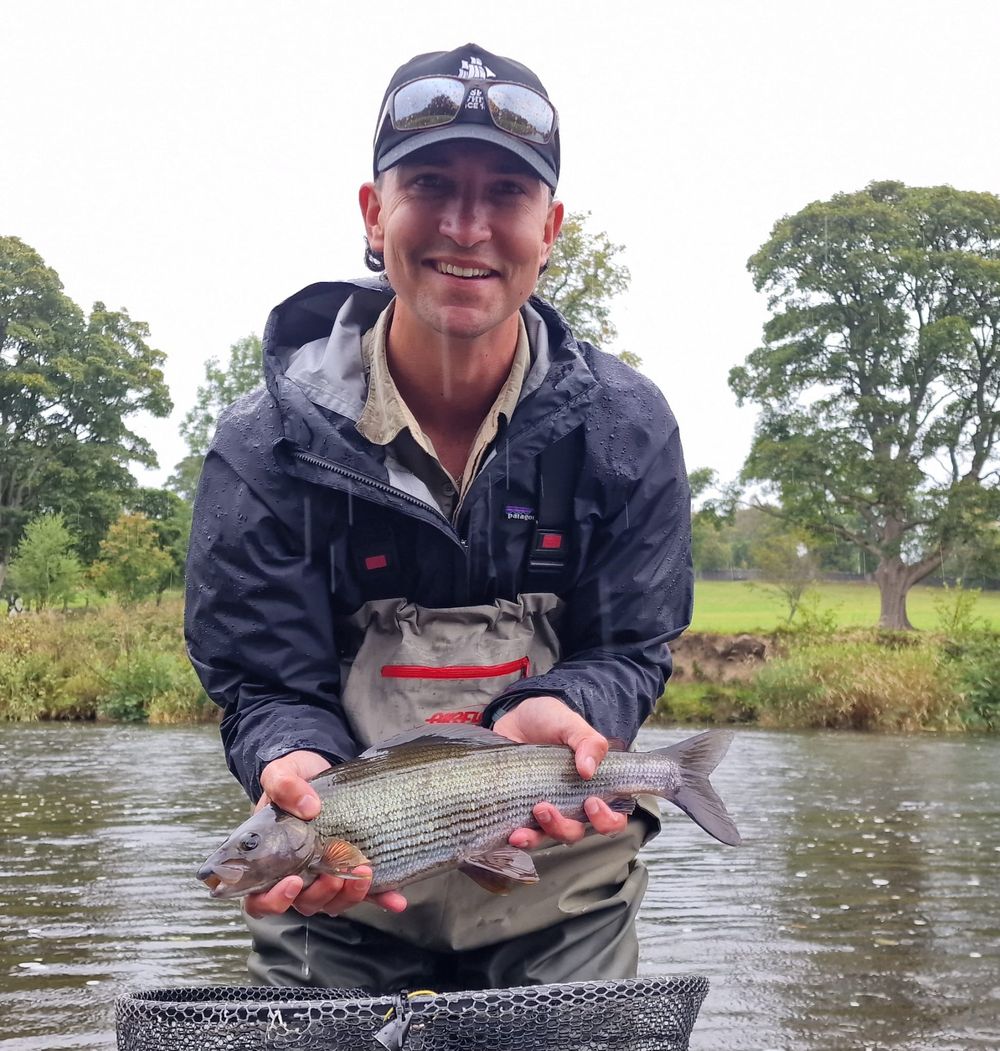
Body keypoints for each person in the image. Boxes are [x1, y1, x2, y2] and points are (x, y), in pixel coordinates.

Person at [185, 42, 693, 993]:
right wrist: (291, 763)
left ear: (551, 228)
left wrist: (568, 710)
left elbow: (632, 648)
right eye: (429, 184)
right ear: (375, 215)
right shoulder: (263, 447)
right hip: (339, 896)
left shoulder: (629, 430)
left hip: (560, 876)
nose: (468, 224)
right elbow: (263, 683)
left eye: (506, 191)